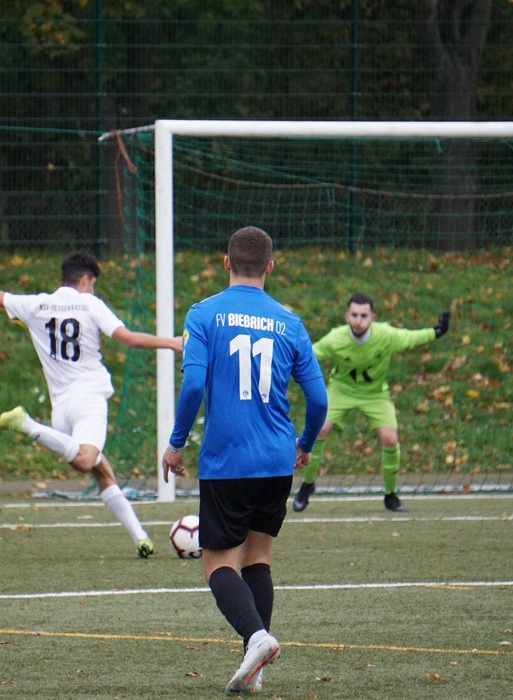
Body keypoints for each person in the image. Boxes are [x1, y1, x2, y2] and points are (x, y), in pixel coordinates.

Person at [161, 226, 328, 696]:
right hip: (276, 460)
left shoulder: (204, 314)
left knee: (217, 565)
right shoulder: (290, 322)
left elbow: (193, 385)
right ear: (270, 266)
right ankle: (255, 668)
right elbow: (318, 399)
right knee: (258, 558)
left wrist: (176, 444)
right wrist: (304, 443)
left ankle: (256, 638)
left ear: (225, 262)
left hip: (228, 459)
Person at [0, 252, 182, 558]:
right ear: (85, 280)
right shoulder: (91, 304)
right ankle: (26, 423)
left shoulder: (37, 305)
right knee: (86, 460)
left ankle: (141, 538)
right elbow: (128, 339)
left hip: (61, 409)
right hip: (88, 400)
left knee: (102, 472)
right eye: (93, 284)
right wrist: (171, 342)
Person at [292, 293, 450, 513]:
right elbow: (309, 354)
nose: (358, 320)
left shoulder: (385, 335)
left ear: (373, 318)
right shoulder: (336, 339)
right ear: (347, 316)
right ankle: (307, 485)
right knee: (320, 430)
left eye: (363, 316)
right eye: (354, 315)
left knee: (390, 439)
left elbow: (410, 338)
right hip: (341, 390)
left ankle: (391, 495)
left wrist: (437, 331)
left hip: (375, 394)